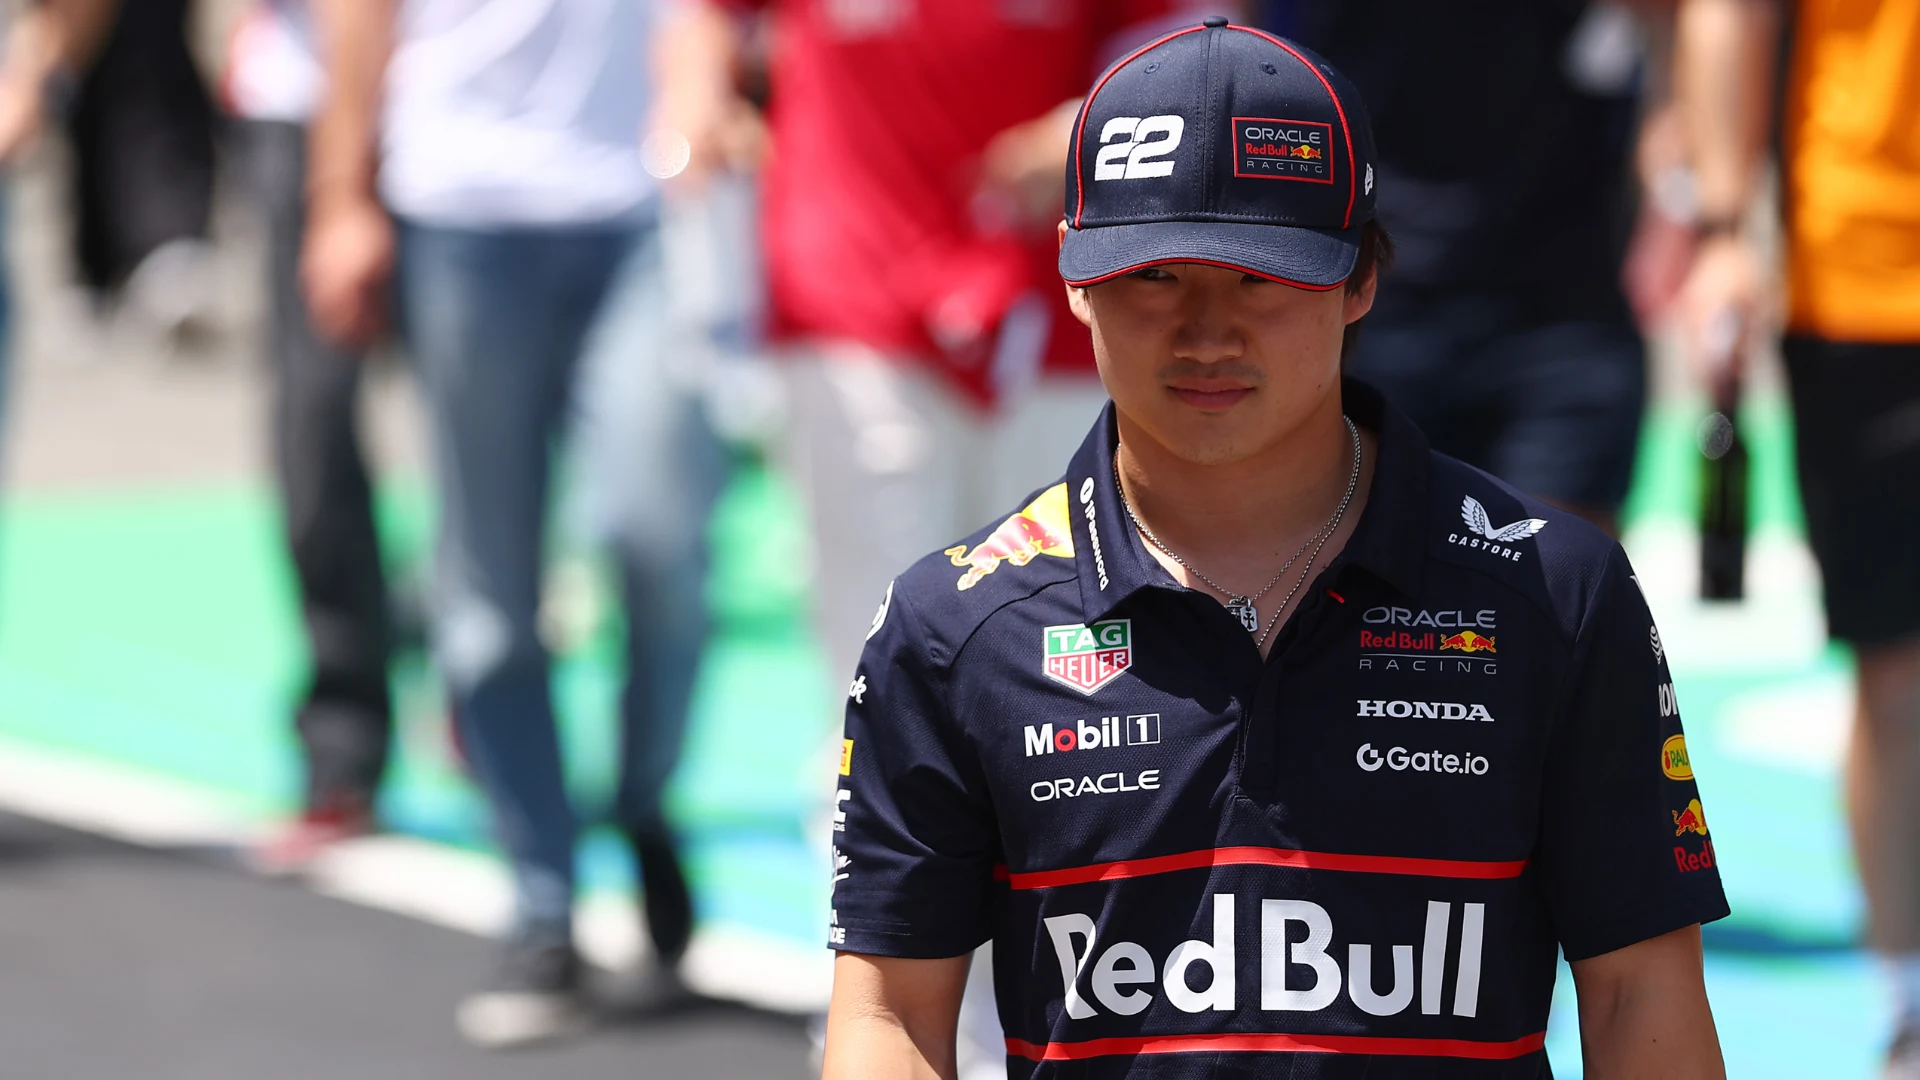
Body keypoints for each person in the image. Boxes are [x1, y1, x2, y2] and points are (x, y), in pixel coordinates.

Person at [824, 20, 1730, 1077]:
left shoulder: (1554, 594)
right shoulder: (951, 629)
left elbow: (1639, 993)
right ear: (1075, 274)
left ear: (1362, 278)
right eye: (1155, 275)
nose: (1208, 331)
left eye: (1261, 276)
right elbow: (888, 1013)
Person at [302, 0, 726, 1048]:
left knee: (658, 539)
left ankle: (642, 797)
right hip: (461, 217)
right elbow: (359, 17)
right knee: (488, 603)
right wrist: (341, 198)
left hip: (633, 211)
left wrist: (697, 104)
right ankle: (543, 902)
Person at [1673, 0, 1920, 1072]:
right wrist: (1724, 227)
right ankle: (1909, 1000)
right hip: (1867, 278)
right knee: (1897, 667)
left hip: (1861, 274)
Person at [1257, 0, 1660, 537]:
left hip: (1561, 304)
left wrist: (1697, 209)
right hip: (1366, 294)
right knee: (1352, 574)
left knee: (1563, 574)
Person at [222, 0, 392, 874]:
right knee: (314, 438)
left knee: (498, 440)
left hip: (481, 128)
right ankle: (342, 745)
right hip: (307, 111)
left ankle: (487, 689)